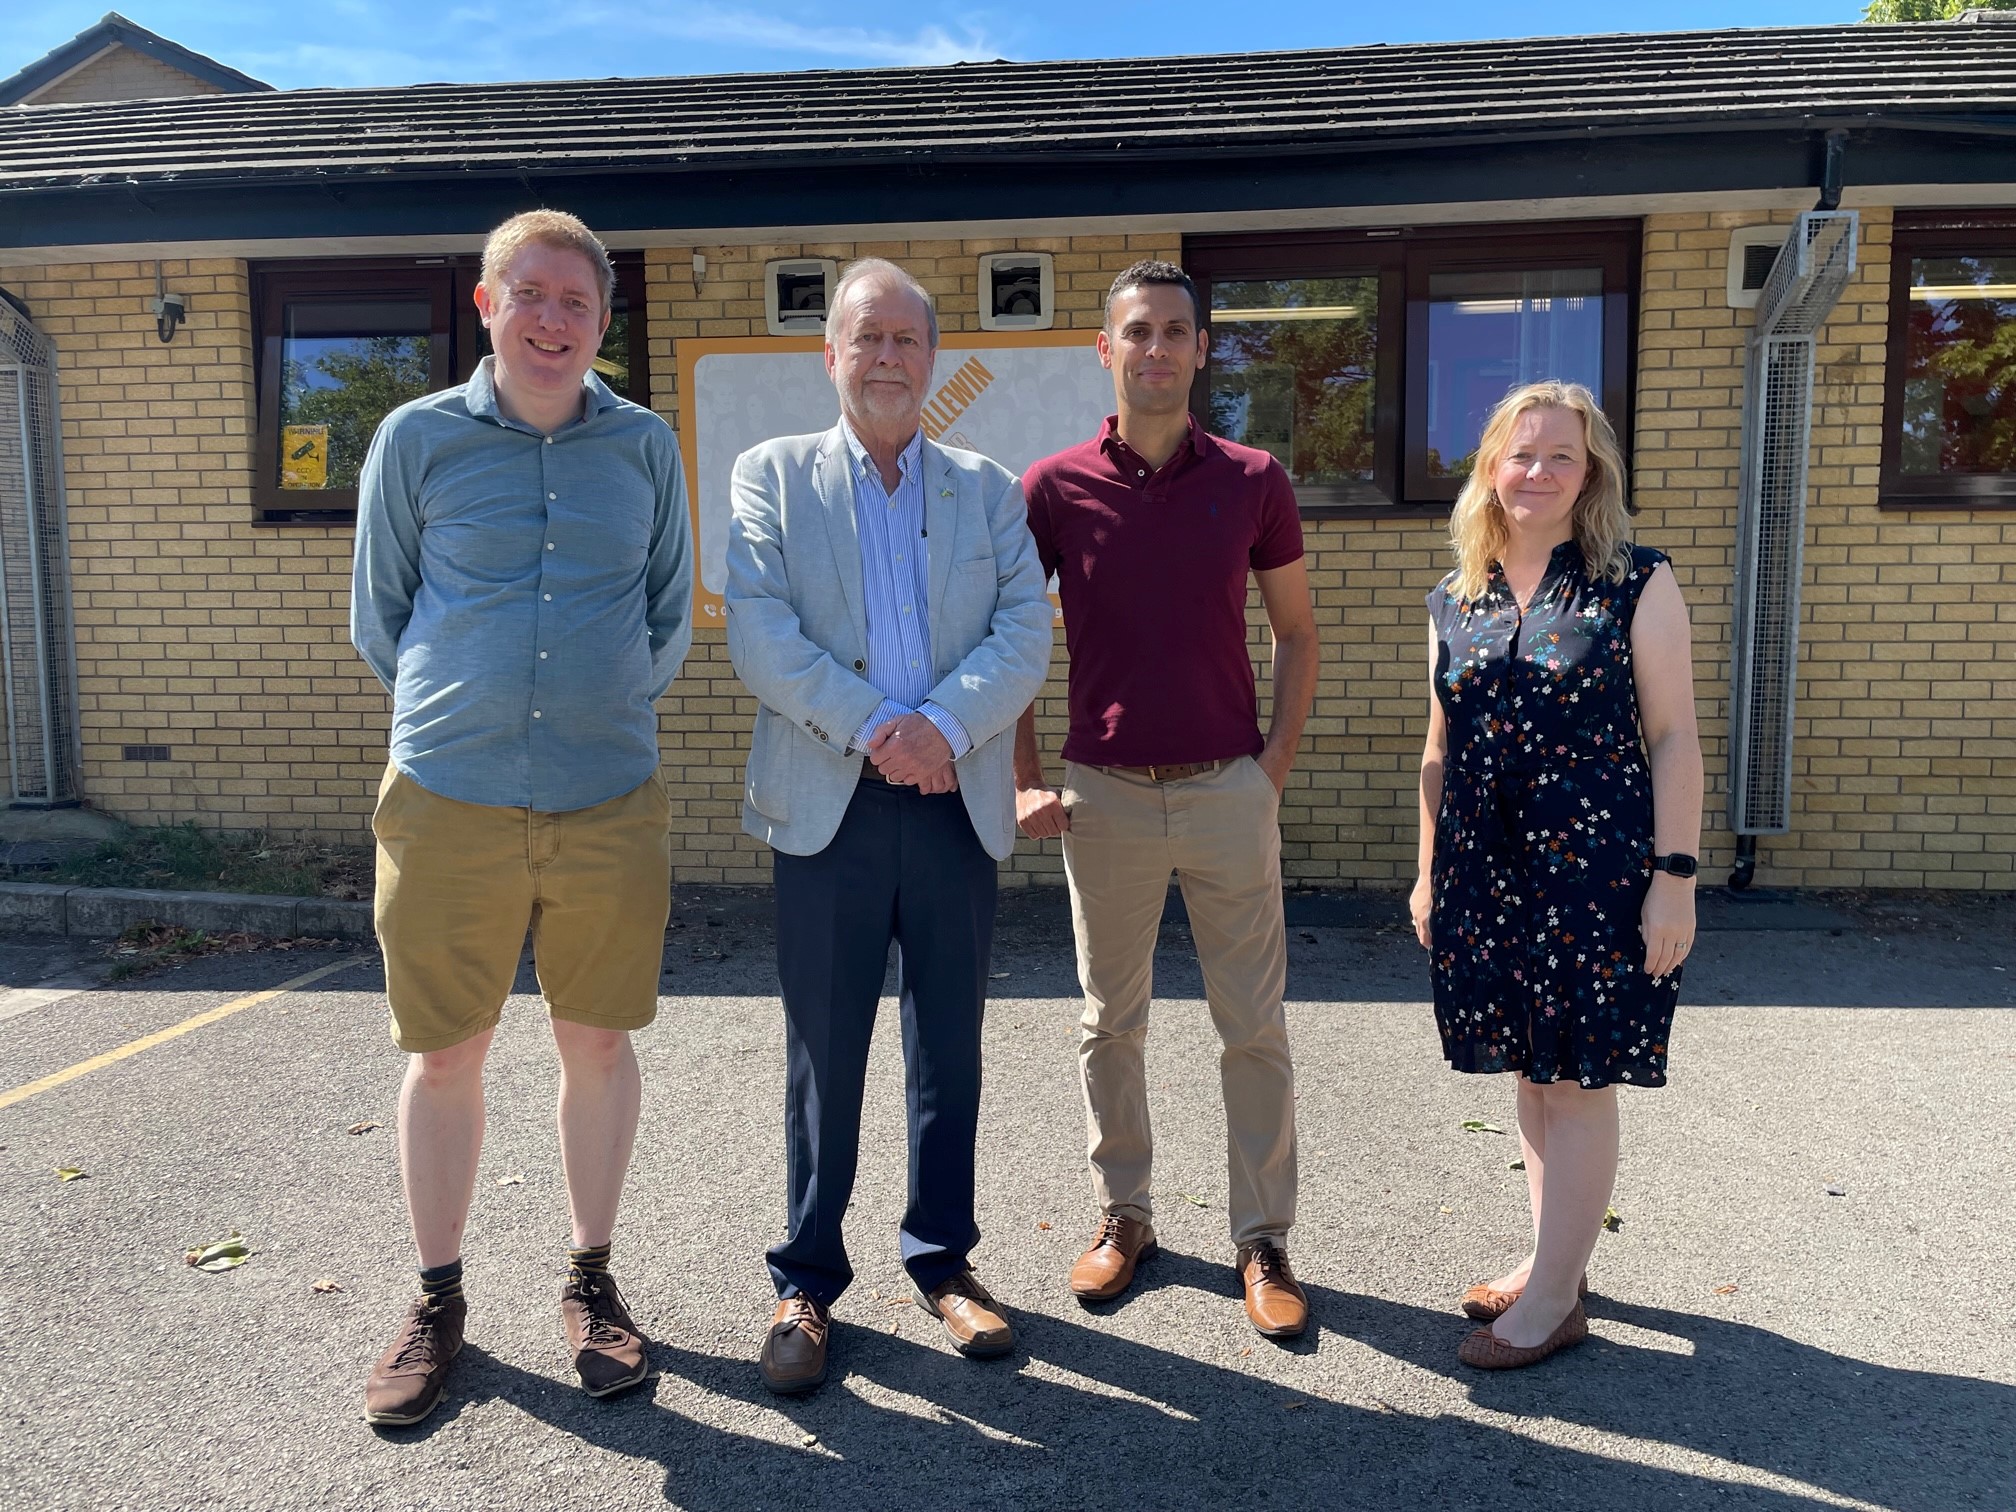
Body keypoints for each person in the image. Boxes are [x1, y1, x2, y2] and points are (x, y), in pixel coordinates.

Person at [350, 210, 693, 1424]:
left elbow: (665, 620)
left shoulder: (645, 446)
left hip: (609, 795)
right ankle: (438, 1300)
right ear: (488, 305)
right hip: (449, 796)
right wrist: (474, 708)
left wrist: (585, 710)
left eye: (579, 303)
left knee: (596, 1042)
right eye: (532, 295)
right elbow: (381, 616)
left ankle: (592, 1284)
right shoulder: (415, 440)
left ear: (604, 324)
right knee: (448, 1054)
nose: (555, 320)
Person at [723, 258, 1052, 1394]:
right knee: (826, 1050)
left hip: (953, 800)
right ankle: (806, 1280)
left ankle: (945, 1260)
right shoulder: (771, 477)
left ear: (932, 356)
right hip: (831, 803)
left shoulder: (986, 488)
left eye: (908, 340)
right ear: (831, 357)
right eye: (867, 338)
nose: (887, 359)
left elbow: (1023, 635)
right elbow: (761, 636)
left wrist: (943, 733)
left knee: (946, 1047)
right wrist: (879, 728)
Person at [1014, 260, 1319, 1339]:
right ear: (1107, 350)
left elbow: (1295, 633)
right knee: (1112, 1023)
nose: (1156, 349)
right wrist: (1023, 778)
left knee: (1254, 1027)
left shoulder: (1253, 478)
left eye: (1176, 331)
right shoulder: (1051, 488)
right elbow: (1009, 643)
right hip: (1102, 795)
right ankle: (1125, 1215)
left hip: (1225, 789)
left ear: (1202, 350)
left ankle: (1263, 1238)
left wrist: (1267, 768)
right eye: (1136, 331)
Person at [1410, 380, 1702, 1370]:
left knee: (1576, 1082)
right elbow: (1437, 751)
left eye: (1561, 456)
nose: (1537, 471)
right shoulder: (1457, 595)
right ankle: (1554, 1263)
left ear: (1593, 474)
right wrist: (1425, 878)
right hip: (1485, 877)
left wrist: (1677, 876)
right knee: (1532, 1079)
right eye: (1520, 453)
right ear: (1492, 466)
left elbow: (1673, 740)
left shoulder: (1636, 581)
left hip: (1599, 875)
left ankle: (1552, 1307)